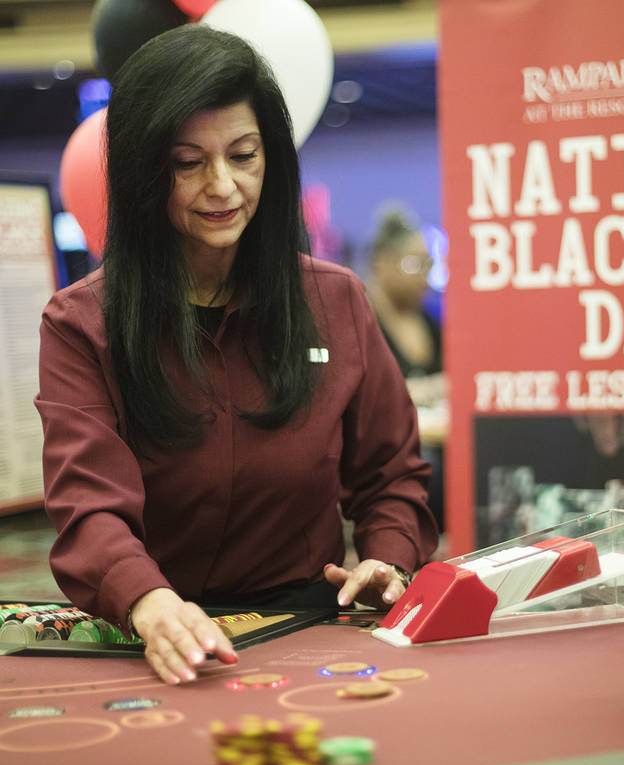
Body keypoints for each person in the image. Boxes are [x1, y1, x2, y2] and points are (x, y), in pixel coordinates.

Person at [34, 25, 437, 685]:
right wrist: (147, 600)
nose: (223, 186)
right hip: (153, 634)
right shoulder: (81, 324)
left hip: (310, 630)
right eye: (188, 163)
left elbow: (391, 475)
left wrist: (387, 562)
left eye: (243, 155)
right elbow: (88, 507)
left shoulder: (335, 302)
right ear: (143, 170)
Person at [366, 207, 446, 532]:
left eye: (428, 264)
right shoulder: (363, 321)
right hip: (386, 452)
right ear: (382, 263)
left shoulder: (429, 319)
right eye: (413, 264)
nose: (424, 276)